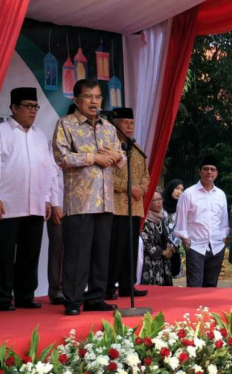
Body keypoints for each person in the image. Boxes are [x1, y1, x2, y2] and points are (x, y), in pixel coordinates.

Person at [53, 79, 125, 315]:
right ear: (76, 100)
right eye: (88, 97)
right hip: (80, 202)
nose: (94, 101)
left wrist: (115, 156)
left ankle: (95, 297)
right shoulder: (66, 124)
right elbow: (61, 157)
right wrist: (93, 157)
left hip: (105, 200)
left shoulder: (108, 126)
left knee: (100, 253)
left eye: (98, 97)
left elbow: (121, 159)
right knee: (77, 254)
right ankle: (73, 300)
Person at [0, 87, 54, 311]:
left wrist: (47, 198)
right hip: (8, 204)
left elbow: (48, 169)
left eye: (35, 107)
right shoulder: (1, 132)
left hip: (35, 204)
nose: (33, 111)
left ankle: (25, 295)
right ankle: (3, 298)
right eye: (28, 106)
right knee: (4, 253)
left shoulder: (40, 135)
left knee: (29, 252)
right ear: (14, 108)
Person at [105, 107, 150, 300]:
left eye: (131, 123)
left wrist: (142, 188)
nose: (129, 127)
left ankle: (127, 285)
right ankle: (108, 287)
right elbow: (106, 177)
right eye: (125, 123)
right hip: (117, 206)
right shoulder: (109, 147)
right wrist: (128, 187)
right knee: (115, 249)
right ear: (115, 123)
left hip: (135, 206)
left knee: (130, 249)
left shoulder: (135, 148)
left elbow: (146, 176)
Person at [174, 156, 229, 288]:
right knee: (195, 285)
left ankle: (208, 309)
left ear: (216, 173)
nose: (209, 172)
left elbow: (224, 220)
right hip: (195, 246)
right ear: (200, 172)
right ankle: (193, 309)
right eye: (206, 169)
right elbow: (180, 219)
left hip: (216, 246)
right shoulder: (189, 193)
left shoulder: (220, 194)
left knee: (211, 285)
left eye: (212, 169)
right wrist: (185, 239)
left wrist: (223, 237)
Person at [140, 190, 174, 286]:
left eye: (160, 199)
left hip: (163, 266)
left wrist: (169, 248)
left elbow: (165, 238)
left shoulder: (161, 219)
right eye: (156, 200)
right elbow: (147, 246)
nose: (160, 202)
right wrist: (164, 252)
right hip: (151, 266)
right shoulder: (144, 221)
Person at [47, 146, 65, 305]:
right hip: (58, 204)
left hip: (77, 206)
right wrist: (54, 204)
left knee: (75, 249)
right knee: (57, 248)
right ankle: (56, 289)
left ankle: (71, 287)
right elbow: (49, 177)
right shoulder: (53, 146)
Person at [162, 179, 184, 277]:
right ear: (171, 188)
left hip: (175, 246)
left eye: (181, 189)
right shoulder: (160, 203)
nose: (179, 192)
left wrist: (175, 246)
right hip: (161, 245)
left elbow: (183, 226)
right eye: (177, 188)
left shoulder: (182, 206)